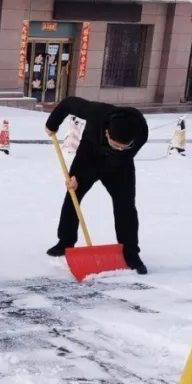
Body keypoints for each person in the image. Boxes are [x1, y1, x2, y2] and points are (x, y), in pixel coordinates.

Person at [44, 96, 149, 275]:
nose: (119, 148)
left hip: (120, 167)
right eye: (116, 145)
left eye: (124, 146)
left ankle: (131, 253)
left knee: (126, 207)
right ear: (107, 132)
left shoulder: (140, 131)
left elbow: (122, 154)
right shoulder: (96, 112)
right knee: (73, 197)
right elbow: (68, 103)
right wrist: (52, 124)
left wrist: (120, 151)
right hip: (89, 157)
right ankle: (65, 242)